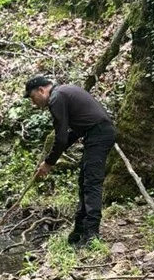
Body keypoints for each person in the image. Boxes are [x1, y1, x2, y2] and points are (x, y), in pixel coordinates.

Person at [25, 75, 116, 246]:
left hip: (99, 134)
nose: (33, 103)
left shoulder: (56, 98)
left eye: (32, 97)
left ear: (41, 90)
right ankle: (79, 232)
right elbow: (73, 133)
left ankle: (91, 236)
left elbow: (60, 138)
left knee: (91, 184)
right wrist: (50, 160)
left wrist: (48, 163)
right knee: (84, 182)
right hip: (97, 133)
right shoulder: (62, 92)